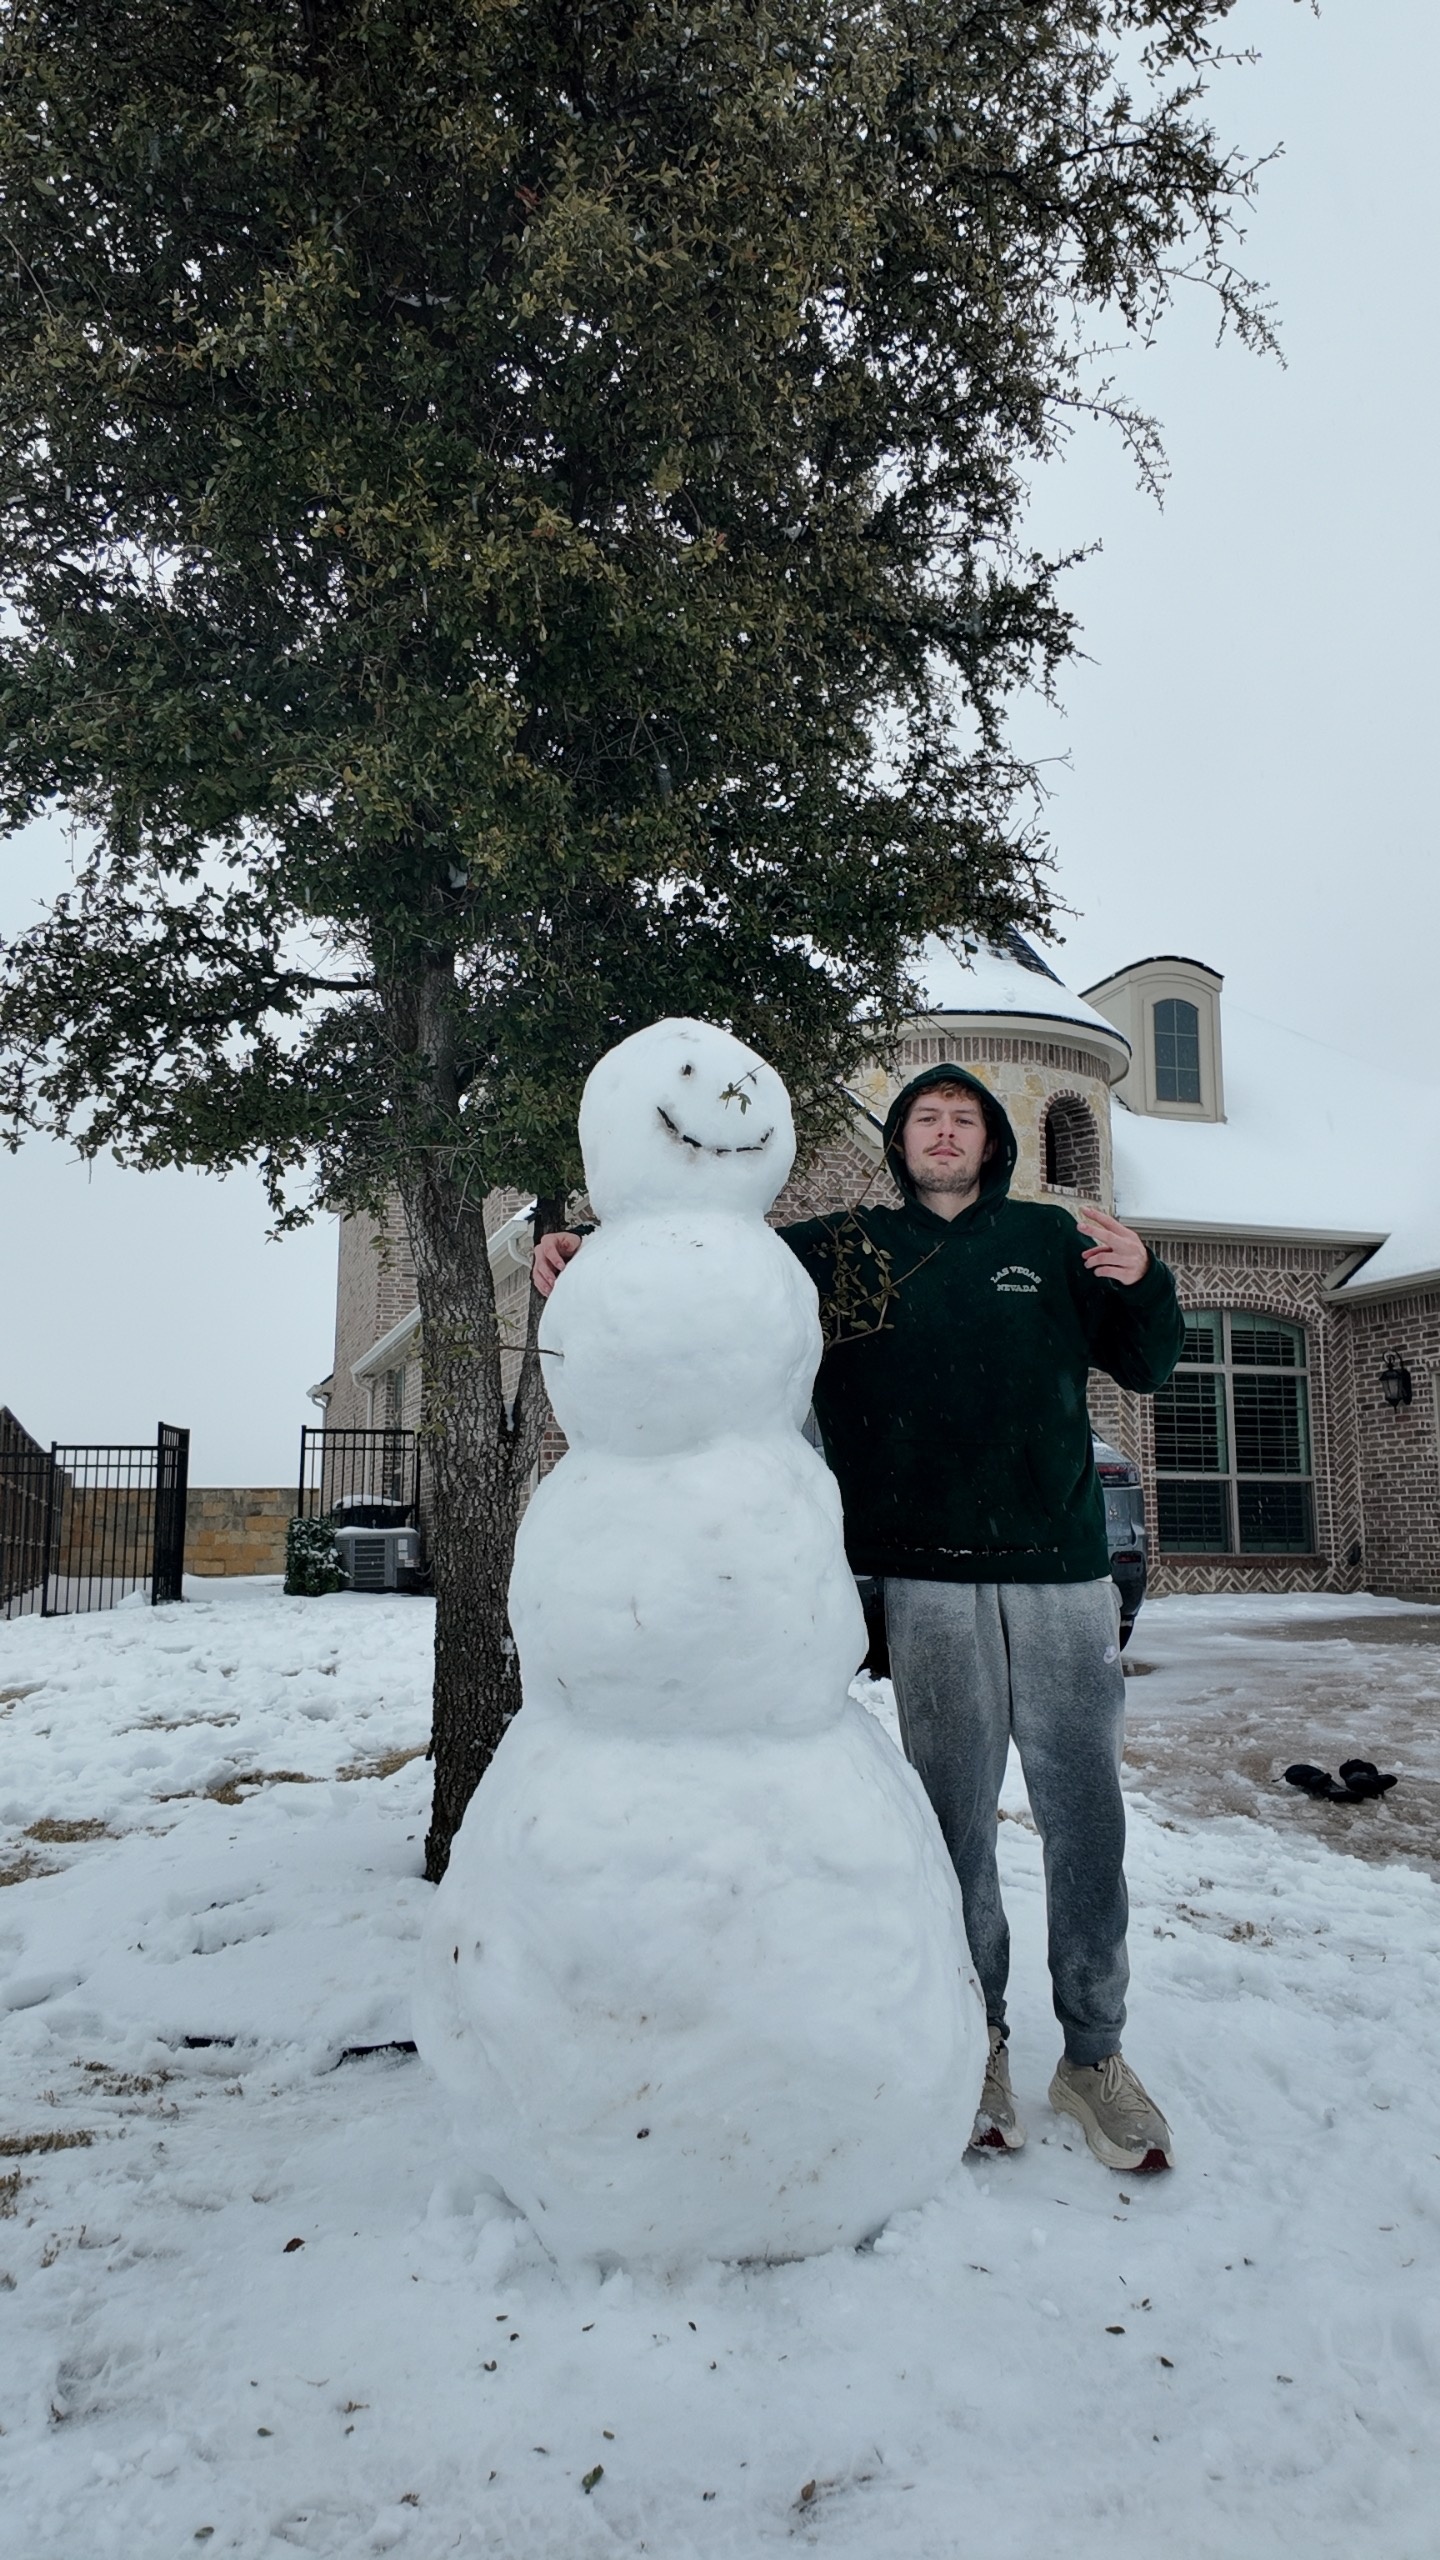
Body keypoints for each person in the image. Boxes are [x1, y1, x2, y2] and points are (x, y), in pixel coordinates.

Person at [533, 1061, 1184, 2174]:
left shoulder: (1051, 1237)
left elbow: (1153, 1358)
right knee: (953, 1826)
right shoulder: (839, 1250)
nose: (944, 1132)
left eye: (964, 1119)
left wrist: (1145, 1278)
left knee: (1087, 1822)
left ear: (992, 1143)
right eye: (926, 1117)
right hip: (924, 1575)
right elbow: (706, 1268)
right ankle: (975, 2038)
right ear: (899, 1140)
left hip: (1062, 1570)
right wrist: (587, 1254)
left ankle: (1095, 2053)